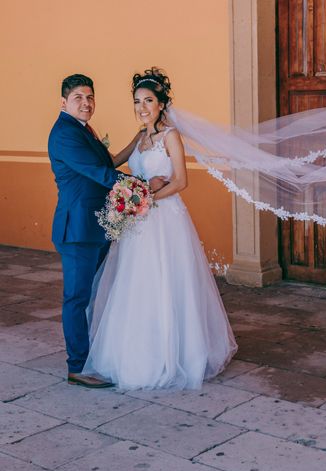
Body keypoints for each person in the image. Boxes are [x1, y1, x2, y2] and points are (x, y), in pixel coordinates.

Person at [82, 68, 237, 390]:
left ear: (162, 103)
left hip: (165, 220)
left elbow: (181, 181)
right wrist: (89, 134)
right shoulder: (140, 137)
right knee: (135, 283)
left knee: (167, 282)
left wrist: (145, 197)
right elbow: (112, 163)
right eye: (137, 101)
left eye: (148, 101)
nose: (142, 107)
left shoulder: (170, 137)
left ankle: (176, 353)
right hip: (139, 223)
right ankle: (136, 352)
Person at [48, 74, 164, 388]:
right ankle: (77, 367)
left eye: (90, 97)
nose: (86, 103)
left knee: (96, 294)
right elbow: (98, 172)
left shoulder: (83, 129)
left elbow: (108, 161)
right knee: (76, 298)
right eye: (78, 98)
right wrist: (141, 188)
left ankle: (94, 354)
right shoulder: (64, 134)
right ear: (64, 102)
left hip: (96, 226)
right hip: (78, 230)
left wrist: (137, 145)